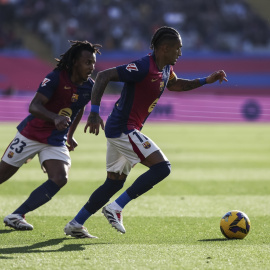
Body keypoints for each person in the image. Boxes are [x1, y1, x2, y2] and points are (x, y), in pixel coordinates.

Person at [64, 26, 228, 238]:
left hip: (124, 128)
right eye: (177, 49)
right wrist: (94, 113)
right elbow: (104, 76)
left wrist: (206, 80)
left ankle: (76, 223)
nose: (180, 53)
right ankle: (116, 208)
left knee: (114, 182)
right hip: (124, 128)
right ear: (164, 48)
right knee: (163, 168)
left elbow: (176, 85)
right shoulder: (143, 67)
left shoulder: (166, 68)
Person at [1, 40, 102, 235]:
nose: (92, 67)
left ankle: (17, 215)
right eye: (87, 62)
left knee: (60, 178)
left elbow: (78, 108)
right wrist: (55, 117)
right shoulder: (55, 78)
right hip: (30, 134)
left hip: (55, 139)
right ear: (75, 62)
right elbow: (34, 106)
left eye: (93, 63)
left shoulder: (89, 87)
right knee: (1, 175)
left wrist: (70, 135)